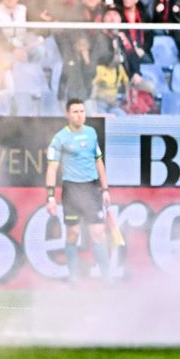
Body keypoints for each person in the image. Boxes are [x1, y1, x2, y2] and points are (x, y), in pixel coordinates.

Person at [45, 99, 111, 281]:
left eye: (82, 111)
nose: (80, 115)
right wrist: (50, 197)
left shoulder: (91, 133)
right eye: (75, 111)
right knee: (73, 233)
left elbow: (99, 161)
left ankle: (107, 279)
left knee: (98, 233)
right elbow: (52, 168)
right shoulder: (60, 138)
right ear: (67, 114)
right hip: (72, 190)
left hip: (91, 189)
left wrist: (105, 189)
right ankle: (73, 277)